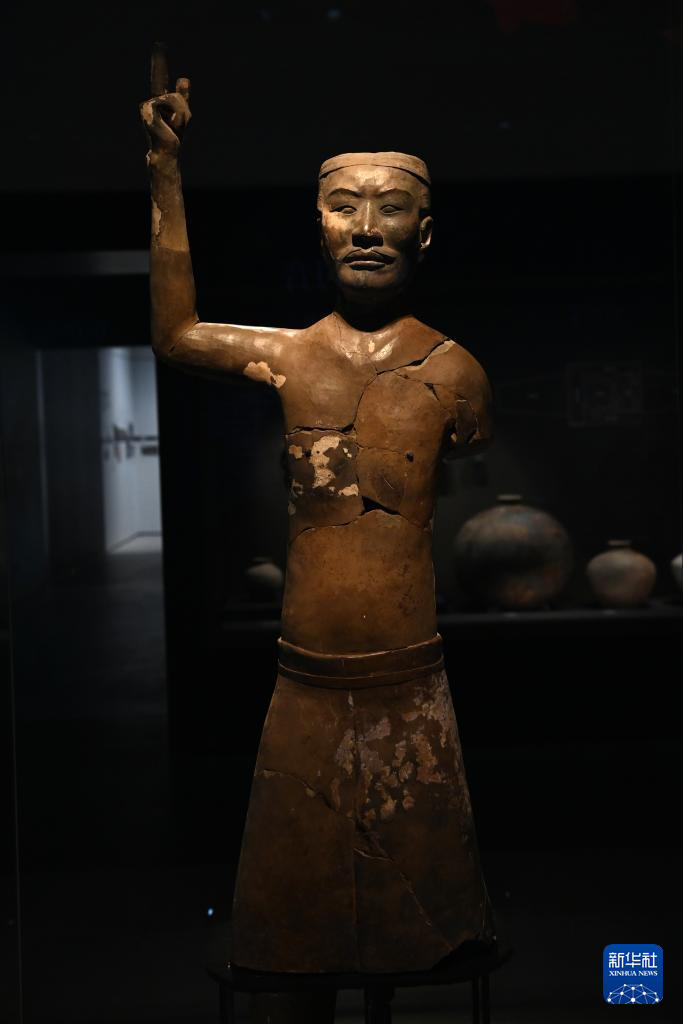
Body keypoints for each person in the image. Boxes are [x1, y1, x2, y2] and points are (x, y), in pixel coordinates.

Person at [141, 47, 496, 997]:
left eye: (392, 208)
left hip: (410, 675)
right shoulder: (293, 357)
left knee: (429, 924)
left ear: (426, 231)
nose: (367, 228)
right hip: (303, 676)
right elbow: (176, 335)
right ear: (319, 225)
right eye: (344, 207)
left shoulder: (455, 373)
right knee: (289, 933)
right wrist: (165, 173)